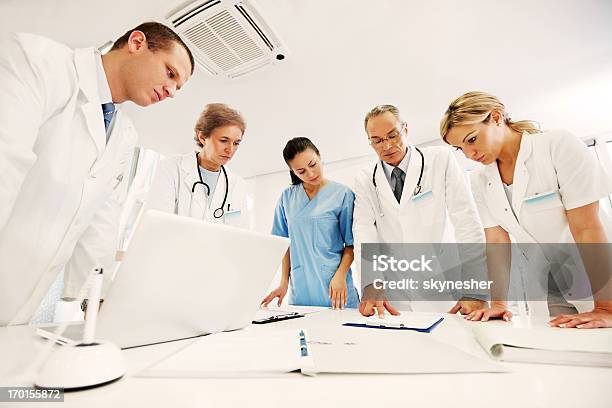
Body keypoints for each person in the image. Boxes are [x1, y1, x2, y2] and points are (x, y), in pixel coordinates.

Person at [0, 22, 194, 326]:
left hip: (19, 302)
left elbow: (101, 218)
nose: (171, 91)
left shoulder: (124, 134)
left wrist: (95, 297)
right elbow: (5, 162)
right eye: (170, 73)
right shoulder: (39, 61)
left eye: (178, 87)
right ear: (137, 43)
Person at [441, 91, 612, 328]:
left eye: (471, 139)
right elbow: (497, 242)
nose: (469, 154)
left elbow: (586, 228)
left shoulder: (557, 145)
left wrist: (605, 308)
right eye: (460, 148)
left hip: (599, 283)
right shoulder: (481, 179)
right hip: (547, 291)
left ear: (497, 118)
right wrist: (499, 304)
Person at [354, 105, 486, 318]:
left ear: (405, 129)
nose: (387, 145)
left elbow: (466, 221)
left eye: (392, 135)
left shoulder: (440, 160)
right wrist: (370, 281)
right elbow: (363, 230)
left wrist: (476, 287)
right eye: (377, 140)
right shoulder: (365, 178)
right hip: (396, 290)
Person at [261, 137, 359, 309]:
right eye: (301, 171)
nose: (311, 174)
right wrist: (284, 282)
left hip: (335, 288)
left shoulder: (342, 195)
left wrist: (340, 275)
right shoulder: (287, 198)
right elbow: (283, 244)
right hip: (301, 290)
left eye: (313, 165)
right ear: (293, 171)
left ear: (319, 156)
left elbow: (351, 245)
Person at [145, 103, 251, 228]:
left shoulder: (237, 184)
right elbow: (157, 224)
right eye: (223, 141)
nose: (230, 150)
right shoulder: (171, 169)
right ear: (202, 137)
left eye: (236, 143)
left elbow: (241, 234)